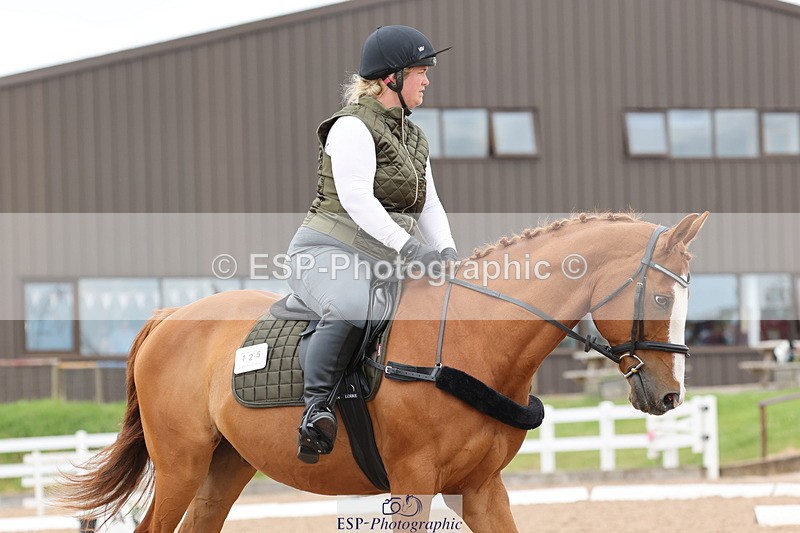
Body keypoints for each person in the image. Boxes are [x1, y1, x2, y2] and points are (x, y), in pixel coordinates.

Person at [285, 25, 458, 464]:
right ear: (391, 78)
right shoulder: (350, 127)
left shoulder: (414, 136)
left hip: (386, 257)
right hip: (328, 250)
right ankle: (316, 411)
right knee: (350, 308)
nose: (427, 80)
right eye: (421, 71)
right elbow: (357, 199)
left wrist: (449, 252)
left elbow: (429, 202)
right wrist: (412, 250)